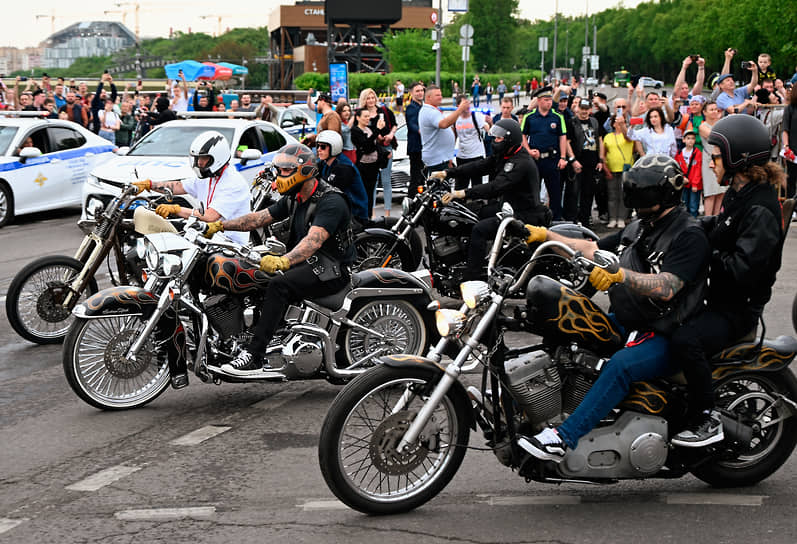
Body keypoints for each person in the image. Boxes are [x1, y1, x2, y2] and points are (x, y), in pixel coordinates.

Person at [516, 155, 710, 462]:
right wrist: (545, 235)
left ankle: (562, 438)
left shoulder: (688, 234)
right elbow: (592, 248)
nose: (636, 197)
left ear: (661, 193)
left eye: (642, 192)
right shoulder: (640, 226)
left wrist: (620, 275)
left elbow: (668, 286)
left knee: (621, 365)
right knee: (573, 331)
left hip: (666, 330)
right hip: (630, 319)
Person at [670, 115, 784, 447]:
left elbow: (741, 269)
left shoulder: (760, 209)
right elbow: (720, 226)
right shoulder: (740, 193)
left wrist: (701, 257)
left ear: (740, 160)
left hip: (736, 310)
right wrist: (684, 229)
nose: (711, 161)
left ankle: (708, 418)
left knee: (683, 339)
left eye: (717, 156)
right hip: (717, 298)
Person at [201, 143, 355, 377]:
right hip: (310, 263)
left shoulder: (330, 201)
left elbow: (312, 242)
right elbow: (259, 218)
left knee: (278, 285)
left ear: (304, 172)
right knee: (254, 272)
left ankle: (255, 355)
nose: (279, 176)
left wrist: (283, 261)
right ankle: (261, 332)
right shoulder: (295, 197)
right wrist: (220, 225)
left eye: (284, 171)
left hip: (330, 269)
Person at [434, 118, 551, 280]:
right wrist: (448, 173)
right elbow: (478, 166)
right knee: (472, 214)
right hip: (507, 207)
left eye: (498, 138)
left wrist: (462, 193)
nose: (495, 141)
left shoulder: (520, 162)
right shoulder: (505, 155)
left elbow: (495, 187)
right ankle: (472, 257)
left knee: (479, 230)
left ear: (510, 139)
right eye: (495, 137)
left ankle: (473, 278)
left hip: (523, 213)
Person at [131, 130, 251, 248]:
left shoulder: (233, 183)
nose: (199, 163)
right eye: (197, 158)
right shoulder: (209, 176)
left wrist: (175, 209)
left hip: (229, 245)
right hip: (206, 238)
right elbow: (179, 186)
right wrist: (149, 184)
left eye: (203, 158)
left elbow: (210, 217)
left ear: (218, 157)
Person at [521, 86, 568, 220]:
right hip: (535, 160)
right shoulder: (529, 117)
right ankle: (533, 218)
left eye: (550, 100)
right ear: (539, 101)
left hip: (552, 160)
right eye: (546, 100)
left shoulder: (557, 117)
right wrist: (528, 150)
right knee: (533, 192)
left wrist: (563, 157)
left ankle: (556, 219)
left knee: (555, 193)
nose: (549, 102)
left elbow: (562, 137)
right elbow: (523, 134)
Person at [316, 130, 369, 225]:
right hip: (341, 211)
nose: (319, 149)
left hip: (355, 215)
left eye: (323, 147)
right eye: (318, 146)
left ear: (334, 147)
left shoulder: (343, 168)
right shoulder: (324, 163)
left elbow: (329, 192)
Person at [565, 99, 604, 226]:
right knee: (574, 193)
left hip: (592, 162)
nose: (584, 111)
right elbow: (567, 142)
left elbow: (600, 140)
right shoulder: (572, 123)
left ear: (590, 110)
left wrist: (601, 160)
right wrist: (573, 160)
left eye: (587, 109)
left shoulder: (594, 122)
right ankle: (572, 221)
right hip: (577, 161)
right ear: (577, 109)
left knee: (588, 193)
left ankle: (585, 220)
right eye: (582, 108)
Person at [359, 88, 397, 217]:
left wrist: (391, 135)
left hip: (386, 148)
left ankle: (387, 213)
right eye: (368, 98)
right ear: (364, 100)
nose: (371, 100)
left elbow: (395, 124)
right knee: (372, 182)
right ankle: (373, 212)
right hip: (372, 151)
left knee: (386, 181)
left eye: (372, 97)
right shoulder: (362, 114)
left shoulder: (383, 111)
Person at [419, 85, 469, 174]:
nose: (440, 97)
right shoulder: (429, 111)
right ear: (428, 97)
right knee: (438, 186)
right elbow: (444, 124)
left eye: (441, 95)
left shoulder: (433, 110)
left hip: (442, 158)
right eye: (437, 95)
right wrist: (459, 109)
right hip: (437, 160)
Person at [601, 113, 633, 228]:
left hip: (625, 170)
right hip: (612, 169)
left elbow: (628, 137)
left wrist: (623, 125)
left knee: (623, 194)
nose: (618, 123)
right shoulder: (608, 136)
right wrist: (605, 168)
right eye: (617, 121)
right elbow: (603, 154)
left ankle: (622, 218)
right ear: (613, 123)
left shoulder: (628, 135)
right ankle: (613, 218)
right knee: (612, 195)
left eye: (622, 121)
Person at [452, 94, 489, 190]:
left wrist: (490, 126)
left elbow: (487, 128)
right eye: (465, 104)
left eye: (469, 103)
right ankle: (461, 203)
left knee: (476, 185)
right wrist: (450, 156)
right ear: (458, 106)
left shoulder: (476, 116)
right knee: (461, 184)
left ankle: (477, 203)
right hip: (462, 156)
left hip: (476, 155)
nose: (468, 106)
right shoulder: (455, 118)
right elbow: (454, 137)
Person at [351, 107, 381, 218]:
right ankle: (362, 218)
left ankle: (369, 217)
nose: (367, 119)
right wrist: (377, 131)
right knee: (363, 193)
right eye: (365, 116)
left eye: (369, 116)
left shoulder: (369, 129)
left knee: (370, 193)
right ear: (358, 118)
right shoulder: (356, 130)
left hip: (373, 165)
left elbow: (374, 145)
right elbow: (367, 147)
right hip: (363, 166)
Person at [699, 101, 726, 215]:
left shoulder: (721, 123)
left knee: (721, 192)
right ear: (704, 112)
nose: (715, 112)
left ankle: (716, 219)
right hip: (709, 160)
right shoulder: (703, 126)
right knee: (711, 193)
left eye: (716, 109)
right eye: (711, 110)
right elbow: (716, 137)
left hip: (721, 161)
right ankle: (708, 218)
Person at [674, 130, 702, 217]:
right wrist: (682, 178)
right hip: (684, 183)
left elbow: (698, 169)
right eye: (688, 138)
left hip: (695, 184)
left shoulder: (697, 153)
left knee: (693, 205)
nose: (690, 140)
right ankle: (685, 223)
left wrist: (695, 184)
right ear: (683, 140)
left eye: (693, 138)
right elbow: (677, 168)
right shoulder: (679, 154)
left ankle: (693, 223)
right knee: (684, 204)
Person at [405, 81, 425, 193]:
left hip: (424, 147)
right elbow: (413, 125)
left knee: (422, 178)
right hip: (416, 147)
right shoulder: (411, 107)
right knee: (416, 178)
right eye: (417, 91)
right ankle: (412, 201)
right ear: (411, 93)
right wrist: (424, 132)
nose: (420, 93)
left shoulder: (424, 106)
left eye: (422, 90)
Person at [782, 85, 797, 198]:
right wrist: (786, 146)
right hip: (793, 150)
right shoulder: (790, 108)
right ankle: (792, 210)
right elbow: (785, 129)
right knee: (791, 180)